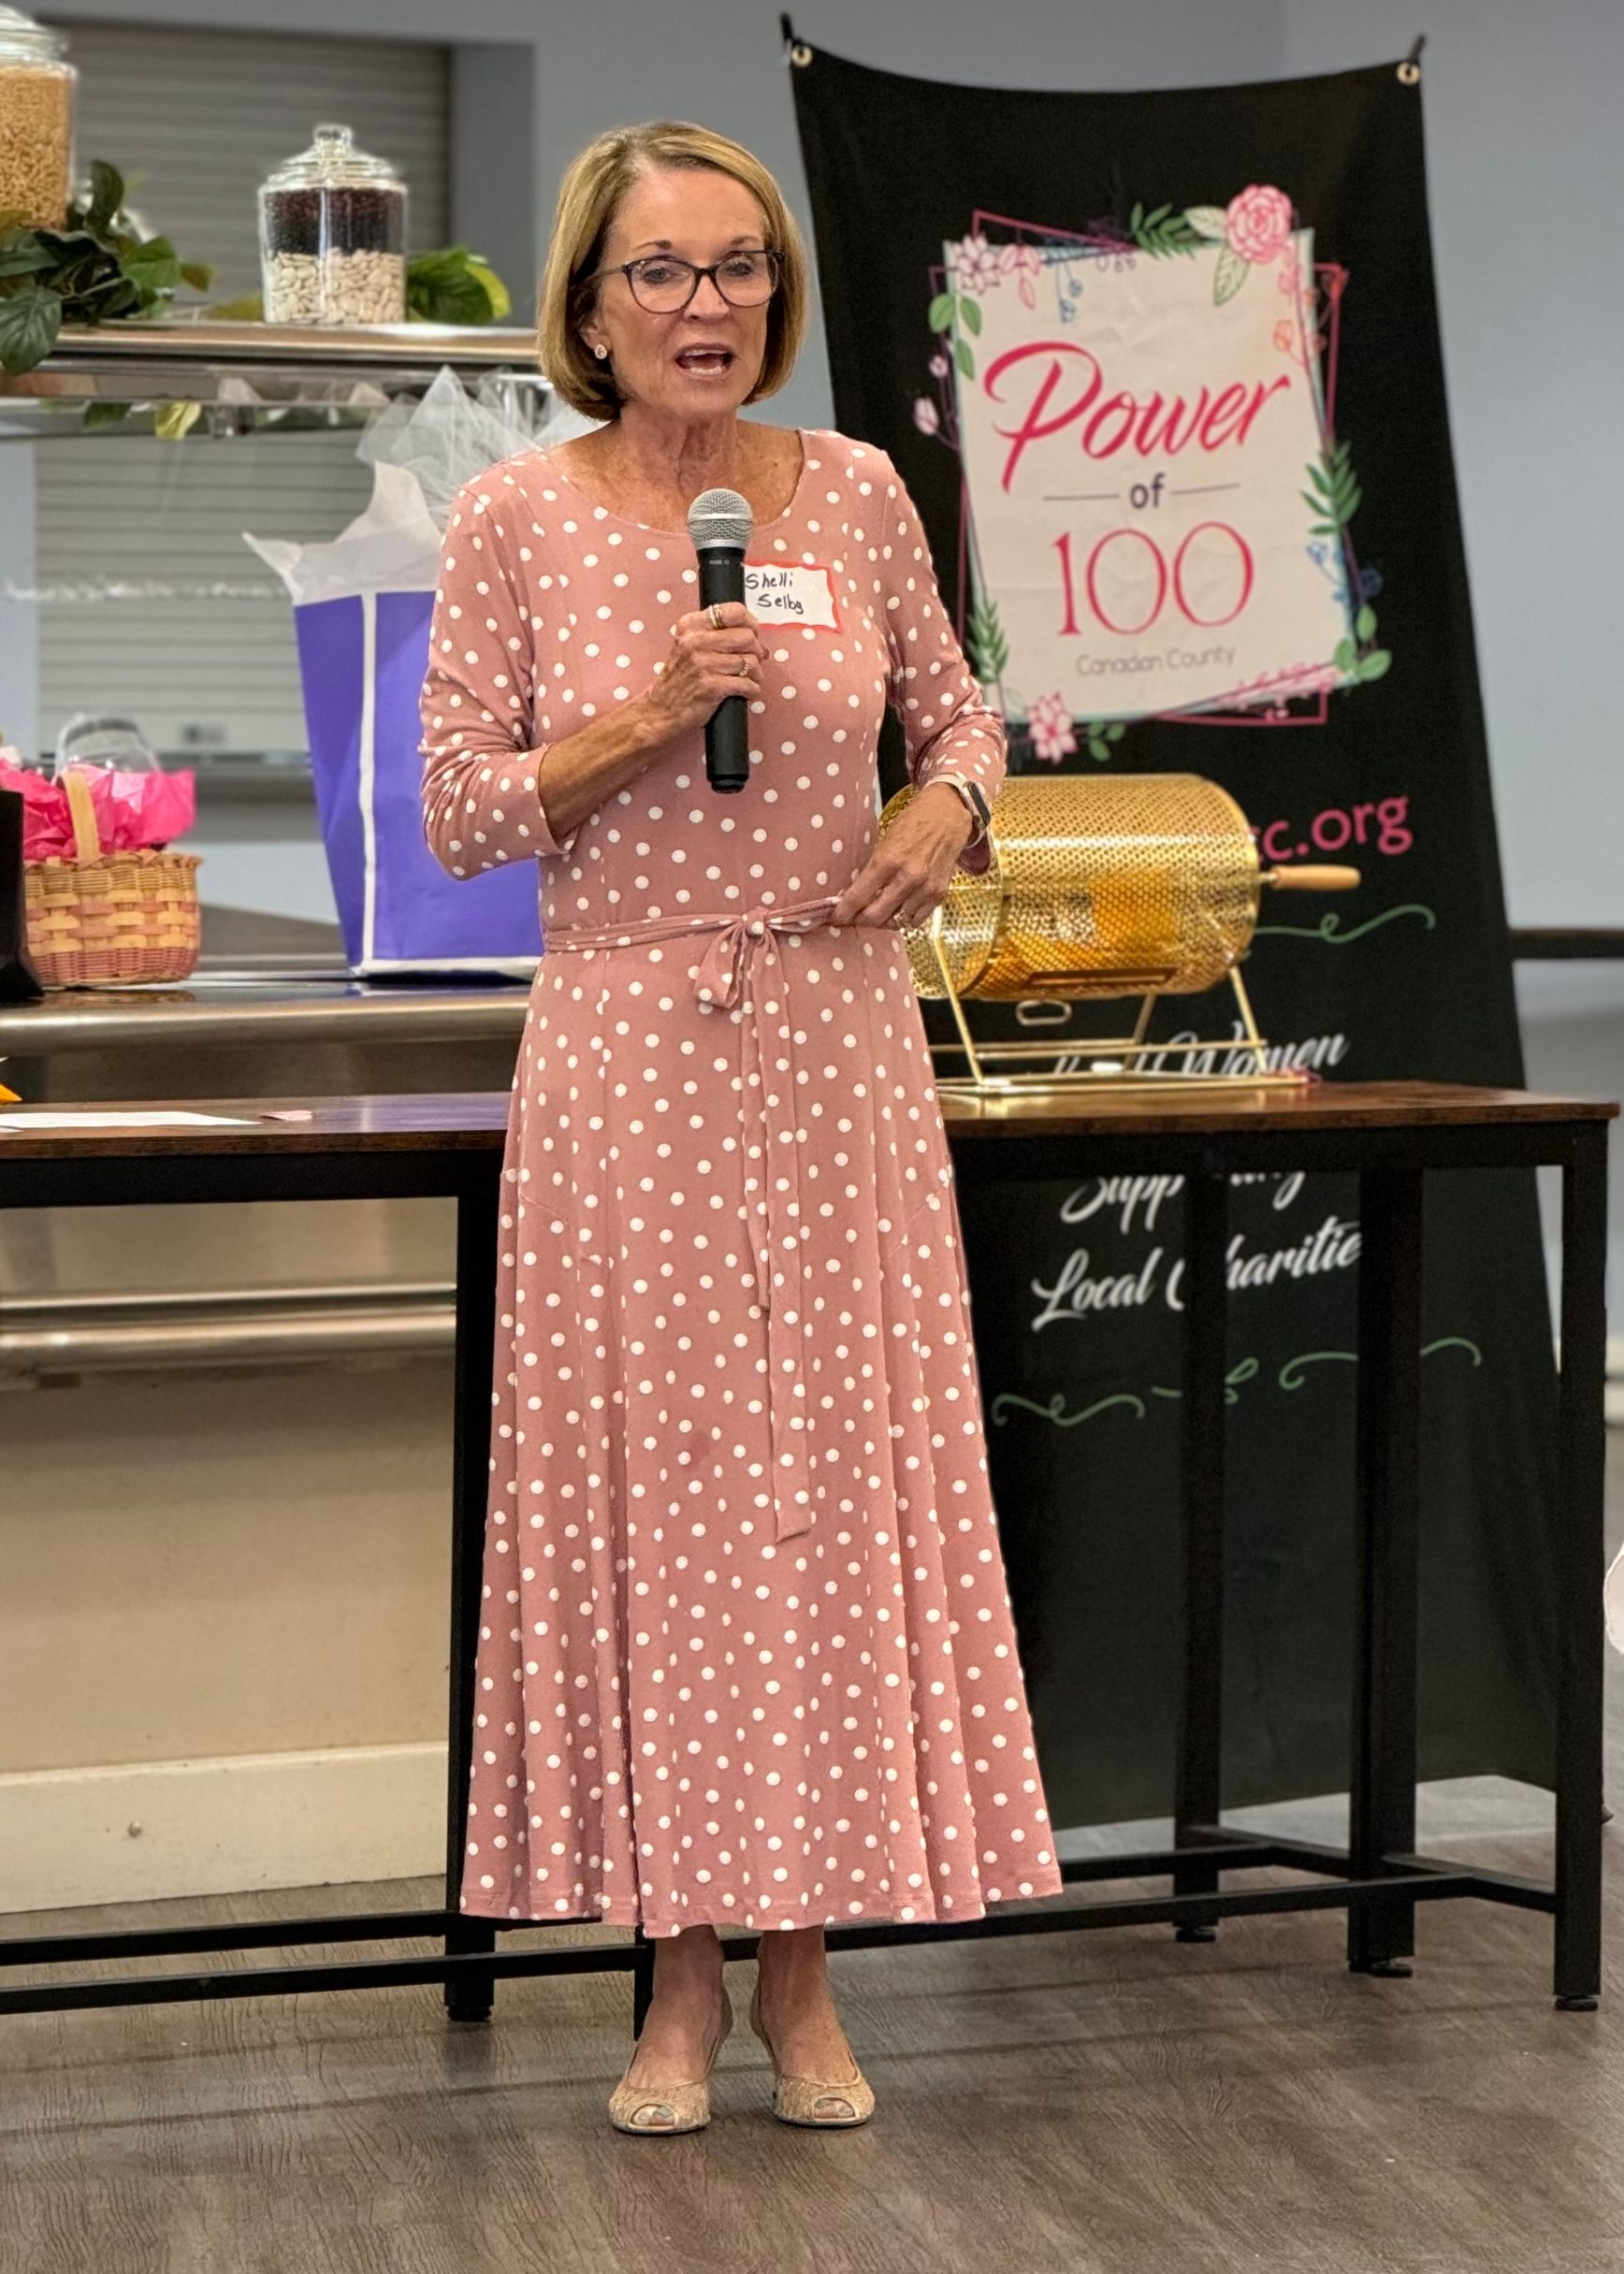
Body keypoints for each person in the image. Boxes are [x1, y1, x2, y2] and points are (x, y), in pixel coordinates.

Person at [419, 120, 1062, 2136]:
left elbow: (965, 718)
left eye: (739, 270)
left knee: (823, 1506)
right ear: (592, 308)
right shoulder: (516, 517)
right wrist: (635, 713)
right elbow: (454, 805)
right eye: (664, 272)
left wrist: (944, 809)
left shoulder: (861, 492)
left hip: (839, 1045)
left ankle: (807, 1981)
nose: (708, 307)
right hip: (627, 1055)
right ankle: (673, 1988)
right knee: (661, 1511)